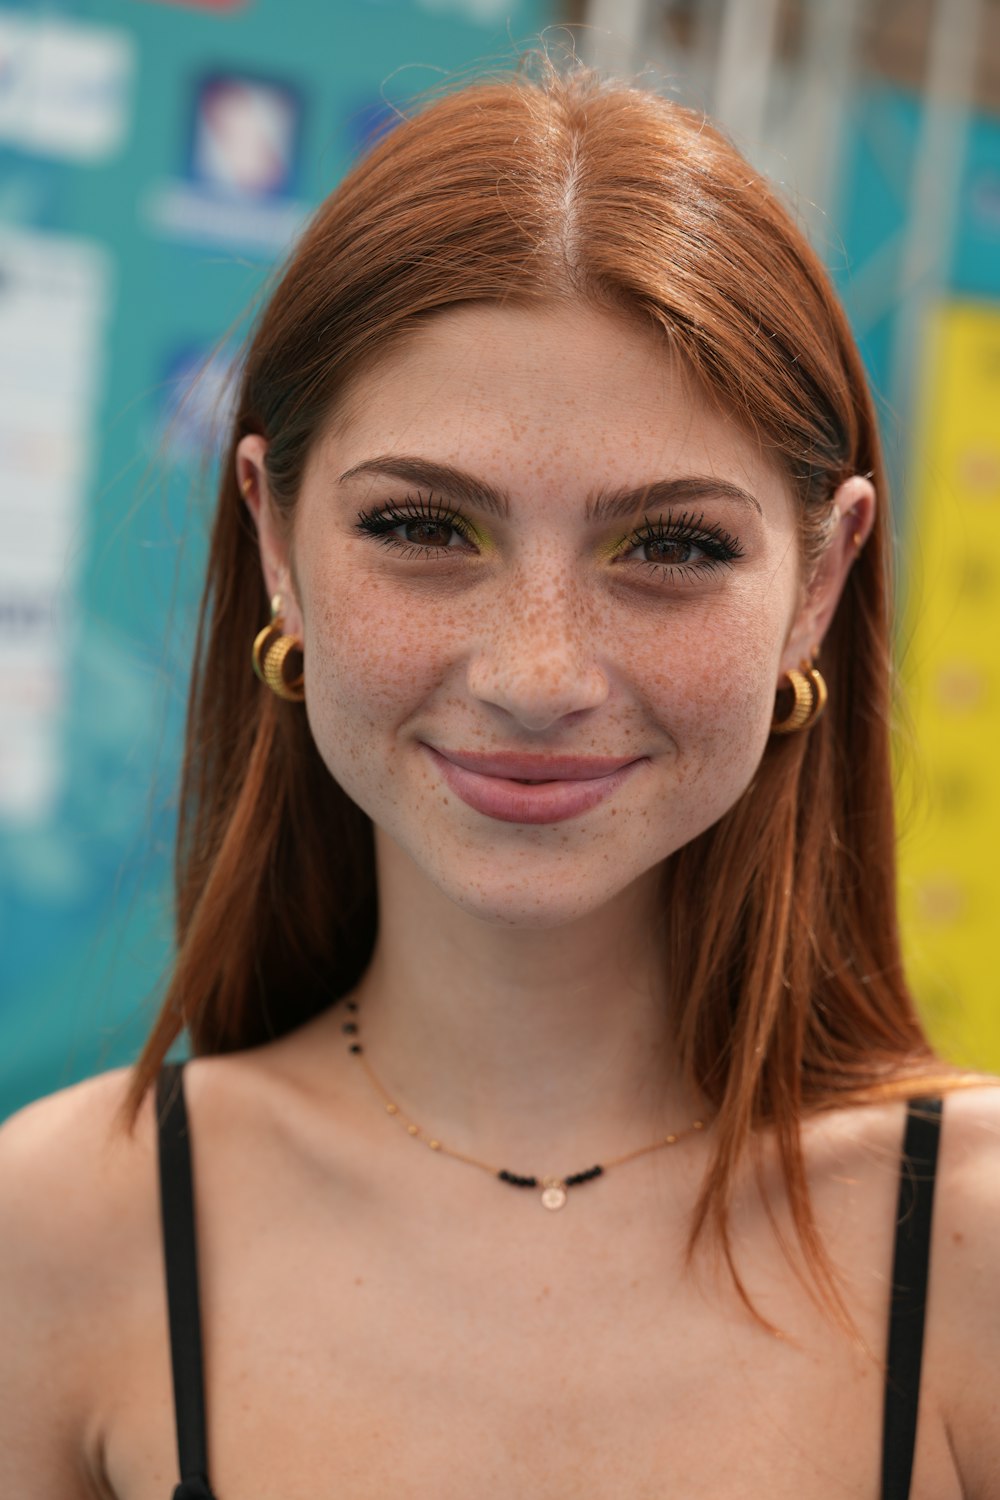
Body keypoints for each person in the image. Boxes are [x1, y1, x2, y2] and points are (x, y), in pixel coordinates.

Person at [1, 58, 998, 1500]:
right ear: (276, 543)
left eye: (670, 546)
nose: (539, 675)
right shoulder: (66, 1233)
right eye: (423, 524)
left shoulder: (964, 1244)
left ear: (820, 579)